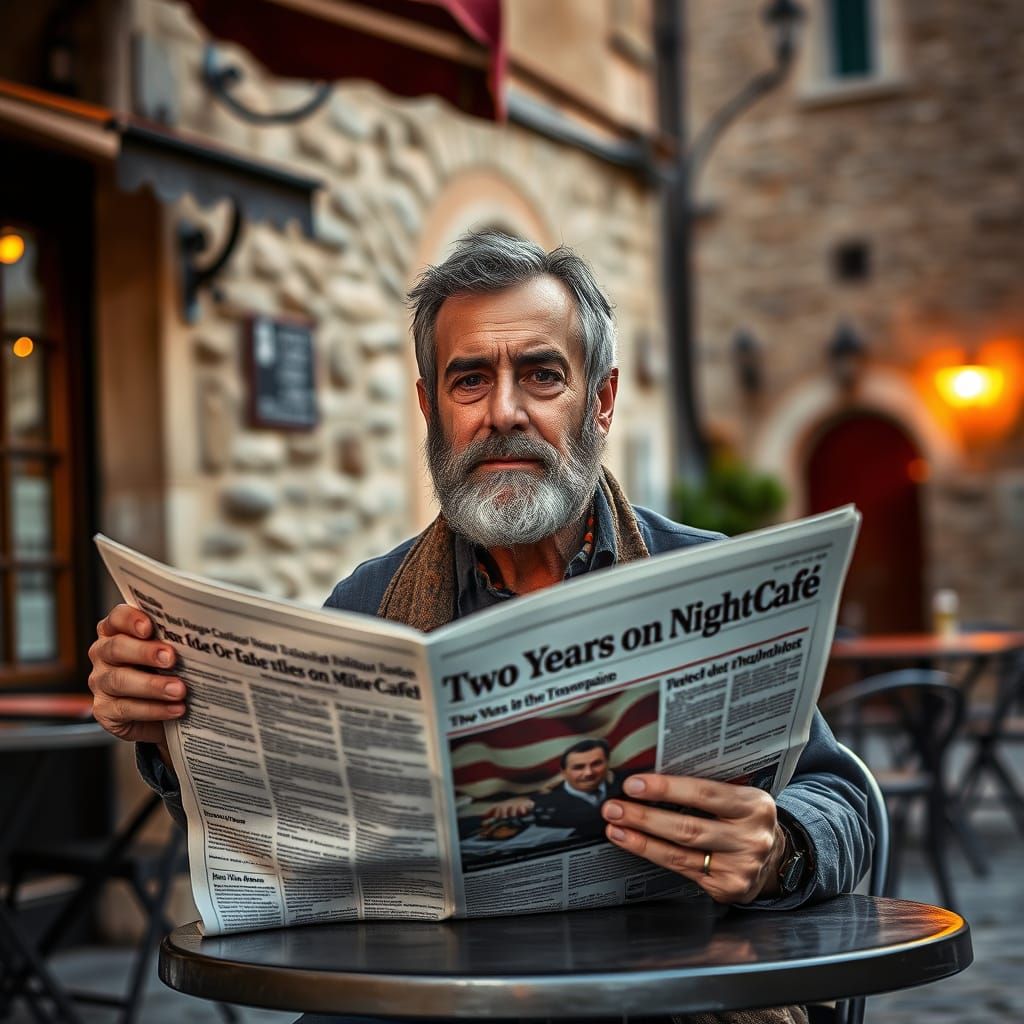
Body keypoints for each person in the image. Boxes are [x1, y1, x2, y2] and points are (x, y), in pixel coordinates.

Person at [88, 230, 871, 1024]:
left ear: (599, 399)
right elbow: (280, 850)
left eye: (541, 375)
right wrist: (166, 730)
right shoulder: (368, 601)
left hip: (652, 1000)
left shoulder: (710, 578)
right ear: (431, 407)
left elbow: (845, 797)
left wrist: (780, 847)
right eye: (470, 380)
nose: (504, 412)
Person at [483, 738, 628, 839]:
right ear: (563, 773)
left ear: (608, 763)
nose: (589, 773)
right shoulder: (539, 802)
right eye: (578, 767)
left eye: (596, 764)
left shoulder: (624, 783)